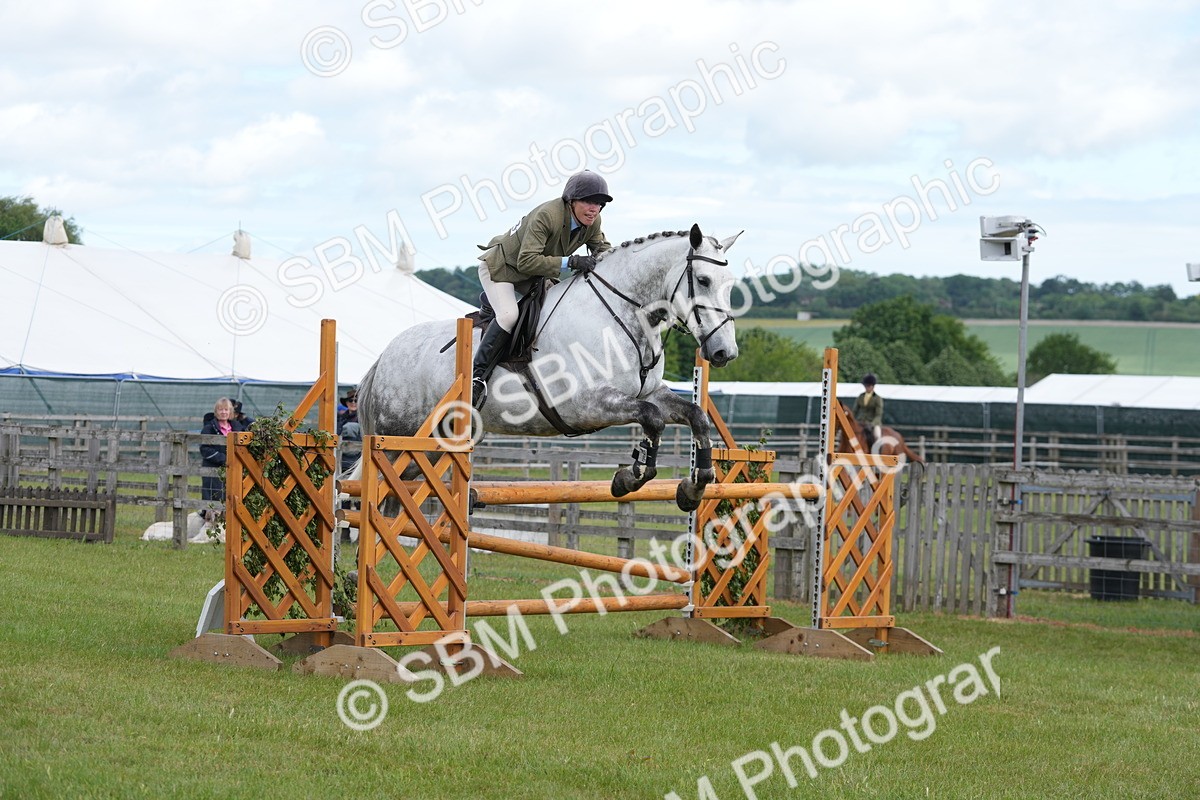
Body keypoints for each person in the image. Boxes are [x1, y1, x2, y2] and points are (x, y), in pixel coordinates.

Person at [471, 170, 615, 409]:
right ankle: (476, 378)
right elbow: (526, 261)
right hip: (502, 268)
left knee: (559, 307)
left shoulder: (592, 222)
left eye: (599, 204)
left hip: (534, 273)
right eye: (589, 201)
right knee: (508, 315)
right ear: (571, 201)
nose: (594, 209)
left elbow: (603, 250)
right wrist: (571, 262)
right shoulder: (546, 215)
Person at [199, 397, 248, 519]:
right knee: (214, 496)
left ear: (230, 411)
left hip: (234, 469)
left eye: (226, 409)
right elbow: (205, 449)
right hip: (213, 468)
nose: (223, 412)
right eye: (220, 409)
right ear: (216, 411)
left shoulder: (237, 427)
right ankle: (209, 523)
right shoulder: (209, 428)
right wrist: (225, 459)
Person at [853, 373, 884, 452]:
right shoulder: (861, 396)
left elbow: (878, 414)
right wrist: (853, 421)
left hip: (873, 423)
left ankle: (877, 453)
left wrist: (872, 424)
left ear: (873, 386)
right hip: (861, 422)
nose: (867, 388)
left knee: (877, 436)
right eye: (866, 386)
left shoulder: (877, 398)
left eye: (868, 386)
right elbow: (855, 411)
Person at [337, 389, 362, 473]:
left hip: (357, 461)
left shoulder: (363, 419)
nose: (353, 403)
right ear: (347, 403)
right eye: (350, 400)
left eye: (356, 400)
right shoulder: (340, 418)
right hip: (340, 460)